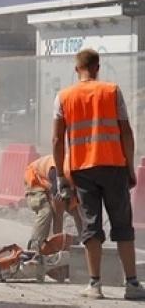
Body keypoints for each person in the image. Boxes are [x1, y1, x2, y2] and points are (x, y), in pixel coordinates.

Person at [52, 49, 145, 300]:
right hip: (113, 166)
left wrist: (61, 176)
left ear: (76, 70)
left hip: (82, 171)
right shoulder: (112, 91)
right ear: (97, 67)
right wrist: (129, 167)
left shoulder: (63, 97)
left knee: (91, 226)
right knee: (122, 225)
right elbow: (126, 132)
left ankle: (95, 285)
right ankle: (132, 284)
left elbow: (57, 140)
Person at [23, 154, 82, 250]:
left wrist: (85, 239)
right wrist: (57, 246)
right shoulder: (60, 175)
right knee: (46, 210)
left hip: (55, 182)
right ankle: (35, 246)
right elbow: (58, 214)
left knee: (77, 210)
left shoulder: (79, 176)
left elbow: (77, 211)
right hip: (34, 177)